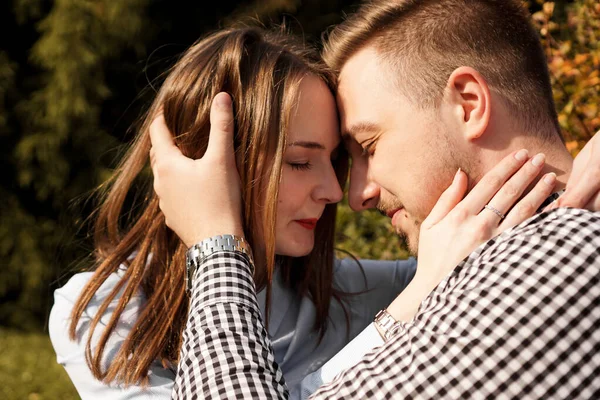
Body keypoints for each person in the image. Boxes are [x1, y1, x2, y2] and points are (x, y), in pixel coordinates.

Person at [49, 26, 549, 399]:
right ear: (206, 162)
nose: (335, 191)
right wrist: (410, 305)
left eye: (333, 160)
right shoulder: (103, 315)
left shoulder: (343, 289)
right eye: (298, 161)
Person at [152, 1, 600, 399]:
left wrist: (215, 243)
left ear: (468, 104)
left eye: (368, 147)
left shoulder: (543, 264)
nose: (355, 195)